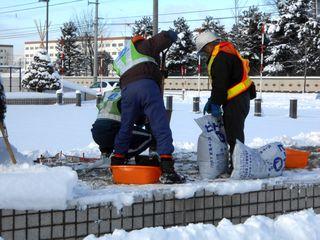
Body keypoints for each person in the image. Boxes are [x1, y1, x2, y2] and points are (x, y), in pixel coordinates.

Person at [112, 30, 185, 184]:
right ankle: (167, 168)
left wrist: (157, 72)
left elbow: (139, 67)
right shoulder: (143, 45)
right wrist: (172, 34)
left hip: (127, 90)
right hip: (147, 87)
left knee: (126, 125)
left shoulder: (121, 57)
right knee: (160, 124)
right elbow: (162, 39)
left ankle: (117, 160)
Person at [195, 30, 256, 171]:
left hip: (237, 99)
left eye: (204, 51)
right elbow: (223, 83)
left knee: (235, 134)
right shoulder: (225, 53)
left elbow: (220, 85)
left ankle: (239, 167)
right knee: (233, 132)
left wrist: (216, 102)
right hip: (239, 97)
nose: (205, 54)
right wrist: (213, 99)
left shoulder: (220, 58)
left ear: (209, 45)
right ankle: (236, 164)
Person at [91, 88, 156, 166]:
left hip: (96, 133)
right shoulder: (130, 94)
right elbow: (139, 120)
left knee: (109, 129)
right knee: (149, 137)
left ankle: (106, 153)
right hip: (112, 130)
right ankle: (120, 155)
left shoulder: (110, 93)